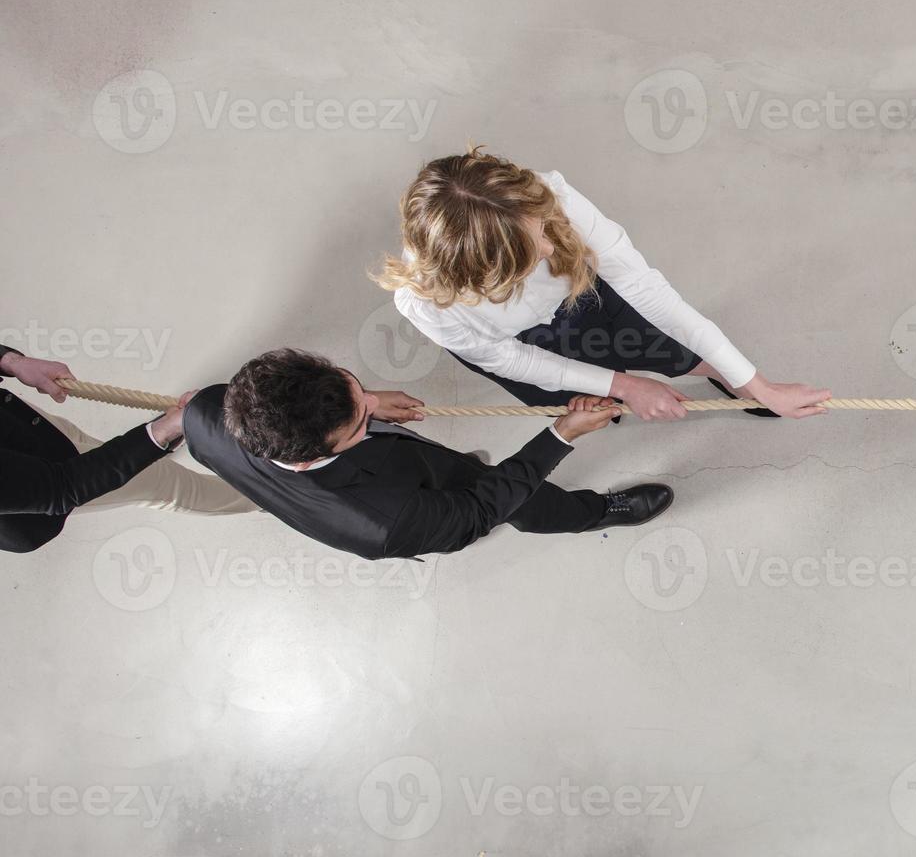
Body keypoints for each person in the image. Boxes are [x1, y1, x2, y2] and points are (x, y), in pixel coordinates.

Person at [377, 147, 830, 421]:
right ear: (482, 274)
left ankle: (732, 383)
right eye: (529, 255)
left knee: (666, 346)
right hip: (521, 341)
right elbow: (513, 359)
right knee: (581, 400)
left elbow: (649, 292)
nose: (552, 252)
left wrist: (758, 383)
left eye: (543, 232)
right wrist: (625, 386)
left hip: (584, 301)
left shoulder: (546, 197)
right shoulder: (425, 304)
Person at [181, 349, 672, 561]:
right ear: (310, 457)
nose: (373, 405)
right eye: (359, 420)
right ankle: (594, 512)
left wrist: (363, 403)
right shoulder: (382, 523)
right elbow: (478, 511)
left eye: (353, 388)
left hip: (392, 469)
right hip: (418, 503)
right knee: (513, 499)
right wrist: (561, 434)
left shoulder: (207, 411)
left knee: (458, 468)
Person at [1, 344, 254, 553]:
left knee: (75, 438)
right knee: (162, 482)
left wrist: (9, 361)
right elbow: (63, 487)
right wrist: (160, 433)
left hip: (16, 424)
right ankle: (265, 494)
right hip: (42, 491)